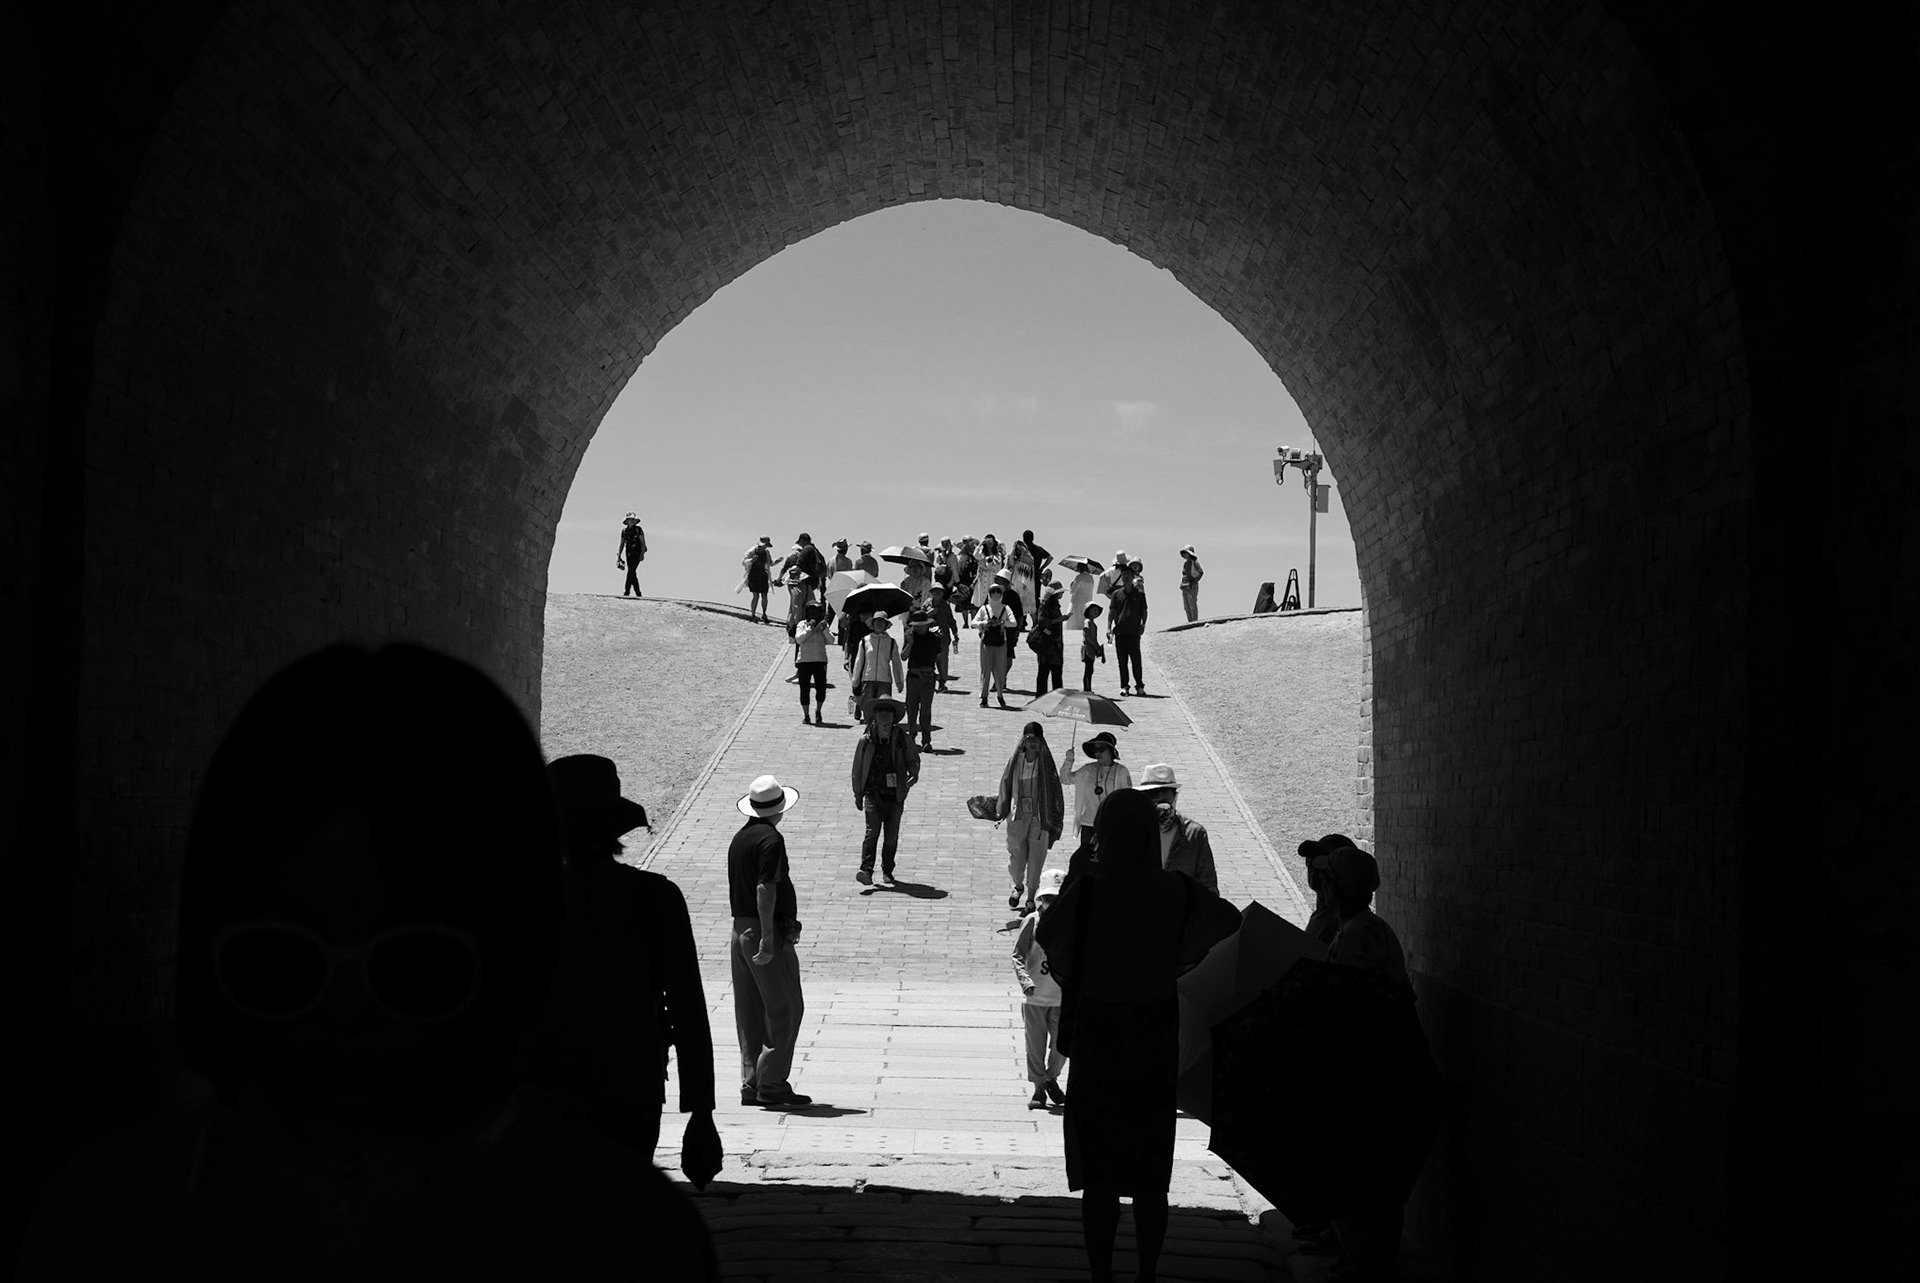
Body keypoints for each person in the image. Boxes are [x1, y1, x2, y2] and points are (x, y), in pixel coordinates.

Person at [18, 645, 719, 1279]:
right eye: (285, 962)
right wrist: (701, 1108)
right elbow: (684, 1005)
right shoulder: (622, 1228)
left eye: (413, 966)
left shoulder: (121, 1210)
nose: (347, 1011)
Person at [1035, 789, 1241, 1283]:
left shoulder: (1088, 890)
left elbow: (1050, 938)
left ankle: (1101, 1274)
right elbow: (1227, 922)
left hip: (1099, 1038)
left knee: (1100, 1174)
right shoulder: (1175, 890)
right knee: (1151, 1174)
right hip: (1153, 1036)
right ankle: (1147, 1272)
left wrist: (1084, 869)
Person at [524, 755, 722, 1186]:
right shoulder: (656, 897)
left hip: (542, 1089)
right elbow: (688, 1008)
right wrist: (701, 1112)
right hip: (630, 1085)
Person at [1319, 844, 1412, 1280]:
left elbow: (1347, 1007)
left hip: (1365, 1072)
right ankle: (1365, 1254)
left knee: (1360, 1168)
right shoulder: (1370, 928)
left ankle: (1366, 1260)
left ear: (1336, 890)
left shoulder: (1357, 936)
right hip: (1379, 1067)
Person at [728, 775, 811, 1109]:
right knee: (785, 1007)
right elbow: (766, 888)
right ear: (780, 809)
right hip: (763, 932)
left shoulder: (741, 837)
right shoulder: (771, 840)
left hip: (739, 931)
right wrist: (767, 938)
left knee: (750, 1009)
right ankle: (772, 1083)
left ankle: (752, 1081)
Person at [1011, 867, 1070, 1110]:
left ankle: (1051, 1077)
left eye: (1056, 899)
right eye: (1047, 899)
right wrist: (1025, 980)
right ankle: (1038, 1087)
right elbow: (1017, 954)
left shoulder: (1072, 923)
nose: (1050, 904)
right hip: (1035, 997)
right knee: (1034, 1045)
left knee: (1061, 1045)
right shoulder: (1032, 921)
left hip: (1061, 997)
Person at [851, 696, 921, 886]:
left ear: (893, 716)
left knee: (891, 837)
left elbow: (913, 758)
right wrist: (858, 794)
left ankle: (887, 870)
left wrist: (913, 774)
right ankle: (866, 870)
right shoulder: (865, 740)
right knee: (871, 832)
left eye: (888, 710)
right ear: (873, 714)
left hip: (894, 796)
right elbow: (857, 769)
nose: (883, 713)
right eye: (880, 710)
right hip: (872, 794)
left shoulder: (901, 738)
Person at [997, 721, 1063, 914]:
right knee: (1016, 856)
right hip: (1018, 816)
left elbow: (1055, 791)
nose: (1033, 743)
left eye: (1037, 740)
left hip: (1040, 817)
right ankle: (1018, 886)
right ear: (1023, 741)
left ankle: (1031, 898)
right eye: (1029, 739)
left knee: (1036, 857)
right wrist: (1001, 810)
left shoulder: (1046, 764)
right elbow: (1005, 785)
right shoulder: (1015, 761)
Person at [1134, 764, 1218, 894]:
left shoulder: (1194, 834)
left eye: (1163, 804)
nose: (1158, 810)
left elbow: (1208, 885)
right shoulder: (1132, 832)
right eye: (1152, 804)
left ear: (1175, 798)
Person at [1061, 731, 1133, 849]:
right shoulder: (1087, 769)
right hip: (1089, 824)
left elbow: (1128, 799)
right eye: (1095, 749)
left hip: (1111, 826)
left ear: (1110, 750)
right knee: (1087, 862)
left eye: (1102, 749)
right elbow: (1065, 779)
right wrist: (1068, 760)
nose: (1098, 752)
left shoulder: (1121, 771)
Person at [1297, 832, 1358, 946]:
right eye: (1310, 861)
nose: (1312, 869)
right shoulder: (1322, 914)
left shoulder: (1346, 926)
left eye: (1322, 866)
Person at [850, 611, 904, 722]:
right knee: (868, 709)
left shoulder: (891, 642)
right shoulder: (865, 641)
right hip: (868, 679)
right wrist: (855, 681)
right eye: (877, 622)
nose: (879, 624)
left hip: (884, 680)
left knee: (883, 710)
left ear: (886, 626)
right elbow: (859, 661)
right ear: (872, 624)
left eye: (882, 622)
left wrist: (899, 682)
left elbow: (896, 663)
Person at [901, 608, 941, 749]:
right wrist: (910, 643)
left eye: (922, 625)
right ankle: (911, 737)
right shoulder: (910, 637)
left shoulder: (934, 638)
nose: (919, 628)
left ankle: (926, 740)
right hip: (913, 677)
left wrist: (941, 676)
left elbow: (938, 657)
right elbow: (903, 656)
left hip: (928, 678)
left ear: (927, 624)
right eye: (916, 626)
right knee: (911, 710)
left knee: (925, 711)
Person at [974, 583, 1018, 708]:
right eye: (993, 592)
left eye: (998, 591)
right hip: (986, 643)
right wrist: (985, 623)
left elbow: (1013, 623)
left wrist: (1003, 623)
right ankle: (984, 697)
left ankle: (1000, 695)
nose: (995, 594)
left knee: (1000, 671)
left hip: (1000, 643)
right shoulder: (984, 609)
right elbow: (974, 622)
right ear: (989, 593)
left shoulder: (1006, 608)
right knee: (985, 670)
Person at [1109, 562, 1149, 696]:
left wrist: (1143, 625)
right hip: (1120, 632)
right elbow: (1112, 612)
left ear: (1133, 577)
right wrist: (1109, 628)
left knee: (1136, 660)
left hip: (1134, 632)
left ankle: (1139, 686)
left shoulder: (1139, 594)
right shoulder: (1116, 594)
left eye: (1128, 575)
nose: (1125, 576)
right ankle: (1124, 686)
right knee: (1122, 662)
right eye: (1124, 575)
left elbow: (1144, 611)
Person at [793, 604, 833, 724]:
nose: (814, 615)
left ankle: (818, 710)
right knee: (804, 689)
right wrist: (810, 628)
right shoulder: (802, 625)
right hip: (804, 661)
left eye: (816, 612)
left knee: (821, 688)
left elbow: (831, 641)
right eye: (811, 612)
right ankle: (806, 714)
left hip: (820, 660)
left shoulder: (824, 625)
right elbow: (799, 639)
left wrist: (824, 630)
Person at [1030, 582, 1067, 695]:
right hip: (1047, 645)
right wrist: (1059, 619)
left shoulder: (1056, 605)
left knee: (1057, 674)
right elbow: (1042, 622)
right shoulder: (1045, 605)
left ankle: (1057, 699)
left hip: (1056, 645)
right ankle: (1041, 698)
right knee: (1043, 673)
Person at [928, 583, 960, 690]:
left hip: (943, 637)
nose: (937, 593)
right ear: (931, 592)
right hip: (929, 637)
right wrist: (930, 613)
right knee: (929, 660)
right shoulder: (927, 604)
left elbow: (951, 620)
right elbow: (921, 617)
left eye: (940, 591)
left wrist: (955, 633)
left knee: (943, 661)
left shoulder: (945, 605)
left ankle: (942, 682)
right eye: (935, 591)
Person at [743, 535, 774, 623]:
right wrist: (751, 560)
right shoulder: (752, 551)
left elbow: (770, 563)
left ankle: (764, 613)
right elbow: (744, 562)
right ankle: (753, 614)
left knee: (764, 595)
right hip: (753, 575)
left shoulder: (766, 553)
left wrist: (777, 561)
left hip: (763, 575)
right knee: (755, 595)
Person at [617, 512, 648, 598]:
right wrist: (619, 555)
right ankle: (638, 593)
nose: (632, 521)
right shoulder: (624, 531)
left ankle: (627, 591)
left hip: (637, 553)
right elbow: (622, 543)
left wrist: (642, 554)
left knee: (631, 571)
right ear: (627, 521)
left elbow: (643, 542)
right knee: (632, 572)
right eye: (630, 520)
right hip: (629, 553)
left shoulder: (638, 530)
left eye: (633, 520)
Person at [1079, 603, 1107, 692]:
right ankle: (1086, 689)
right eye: (1093, 610)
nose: (1096, 612)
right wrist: (1096, 646)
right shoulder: (1087, 622)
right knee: (1088, 670)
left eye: (1097, 610)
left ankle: (1088, 688)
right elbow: (1088, 636)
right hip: (1087, 649)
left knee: (1090, 670)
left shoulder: (1091, 622)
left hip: (1091, 649)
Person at [1178, 545, 1204, 622]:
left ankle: (1194, 621)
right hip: (1185, 586)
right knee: (1186, 606)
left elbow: (1201, 572)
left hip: (1192, 585)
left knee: (1192, 604)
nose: (1185, 555)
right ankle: (1190, 621)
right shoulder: (1186, 564)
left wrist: (1194, 582)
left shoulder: (1194, 562)